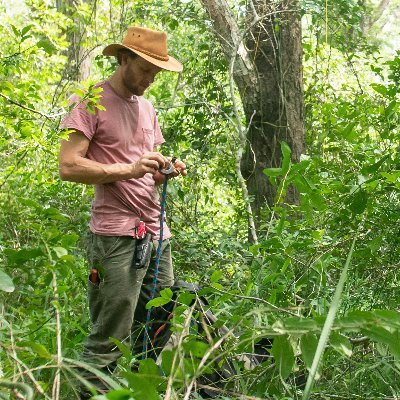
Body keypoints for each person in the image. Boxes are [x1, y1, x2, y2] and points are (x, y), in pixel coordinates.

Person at [58, 26, 186, 396]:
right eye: (144, 69)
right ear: (123, 59)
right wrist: (129, 170)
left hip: (156, 234)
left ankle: (137, 390)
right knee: (111, 333)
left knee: (158, 323)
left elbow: (146, 169)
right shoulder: (91, 100)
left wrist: (164, 170)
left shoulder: (147, 108)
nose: (150, 79)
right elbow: (68, 166)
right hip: (115, 235)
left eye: (156, 72)